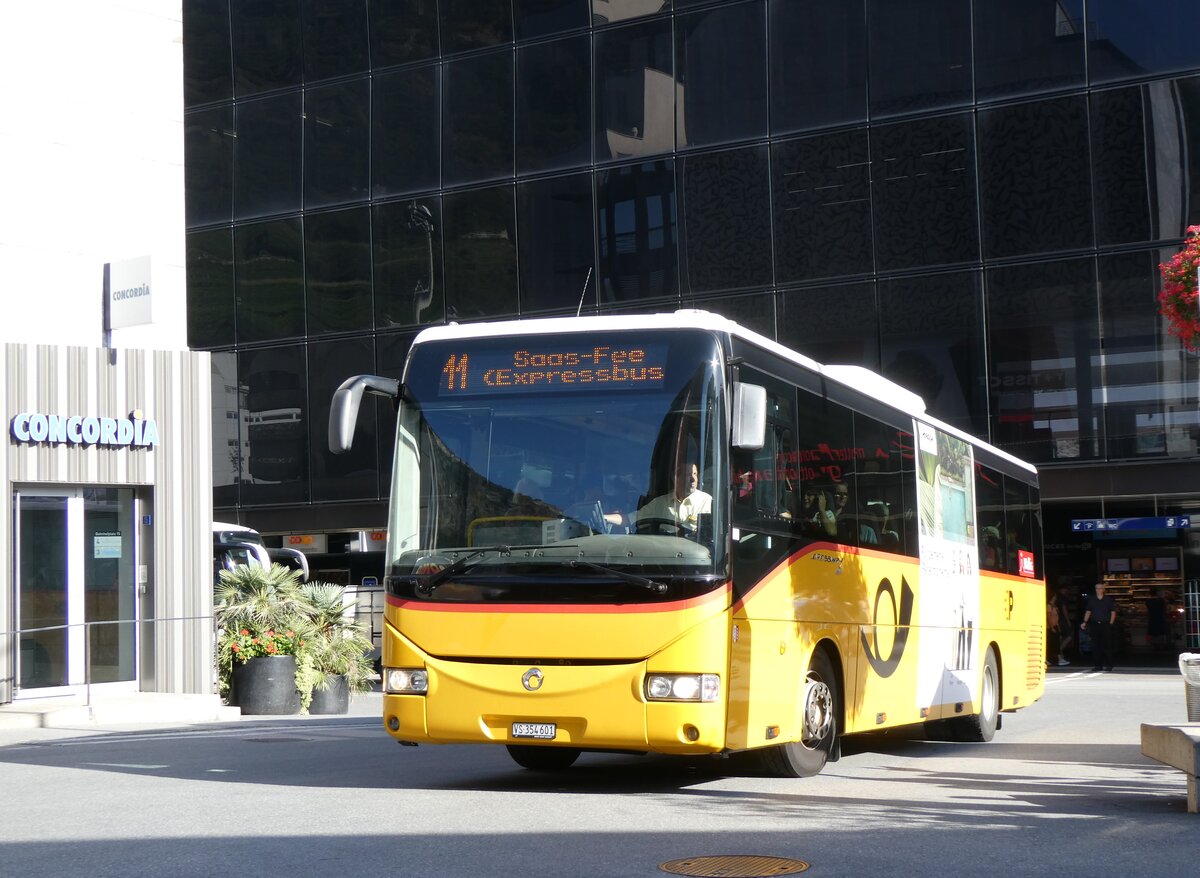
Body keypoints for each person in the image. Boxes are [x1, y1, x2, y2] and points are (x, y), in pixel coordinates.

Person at [631, 459, 712, 533]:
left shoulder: (706, 501)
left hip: (694, 548)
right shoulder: (659, 503)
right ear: (675, 477)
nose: (693, 479)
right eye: (688, 474)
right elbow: (632, 518)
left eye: (695, 474)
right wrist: (619, 518)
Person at [1080, 581, 1117, 672]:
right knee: (1095, 645)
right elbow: (1088, 611)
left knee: (1107, 645)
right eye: (1097, 588)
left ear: (1103, 590)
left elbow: (1113, 612)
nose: (1098, 590)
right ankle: (1098, 665)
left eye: (1100, 588)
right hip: (1094, 624)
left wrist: (1111, 623)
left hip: (1105, 624)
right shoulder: (1091, 600)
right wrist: (1084, 622)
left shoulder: (1108, 600)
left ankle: (1109, 665)